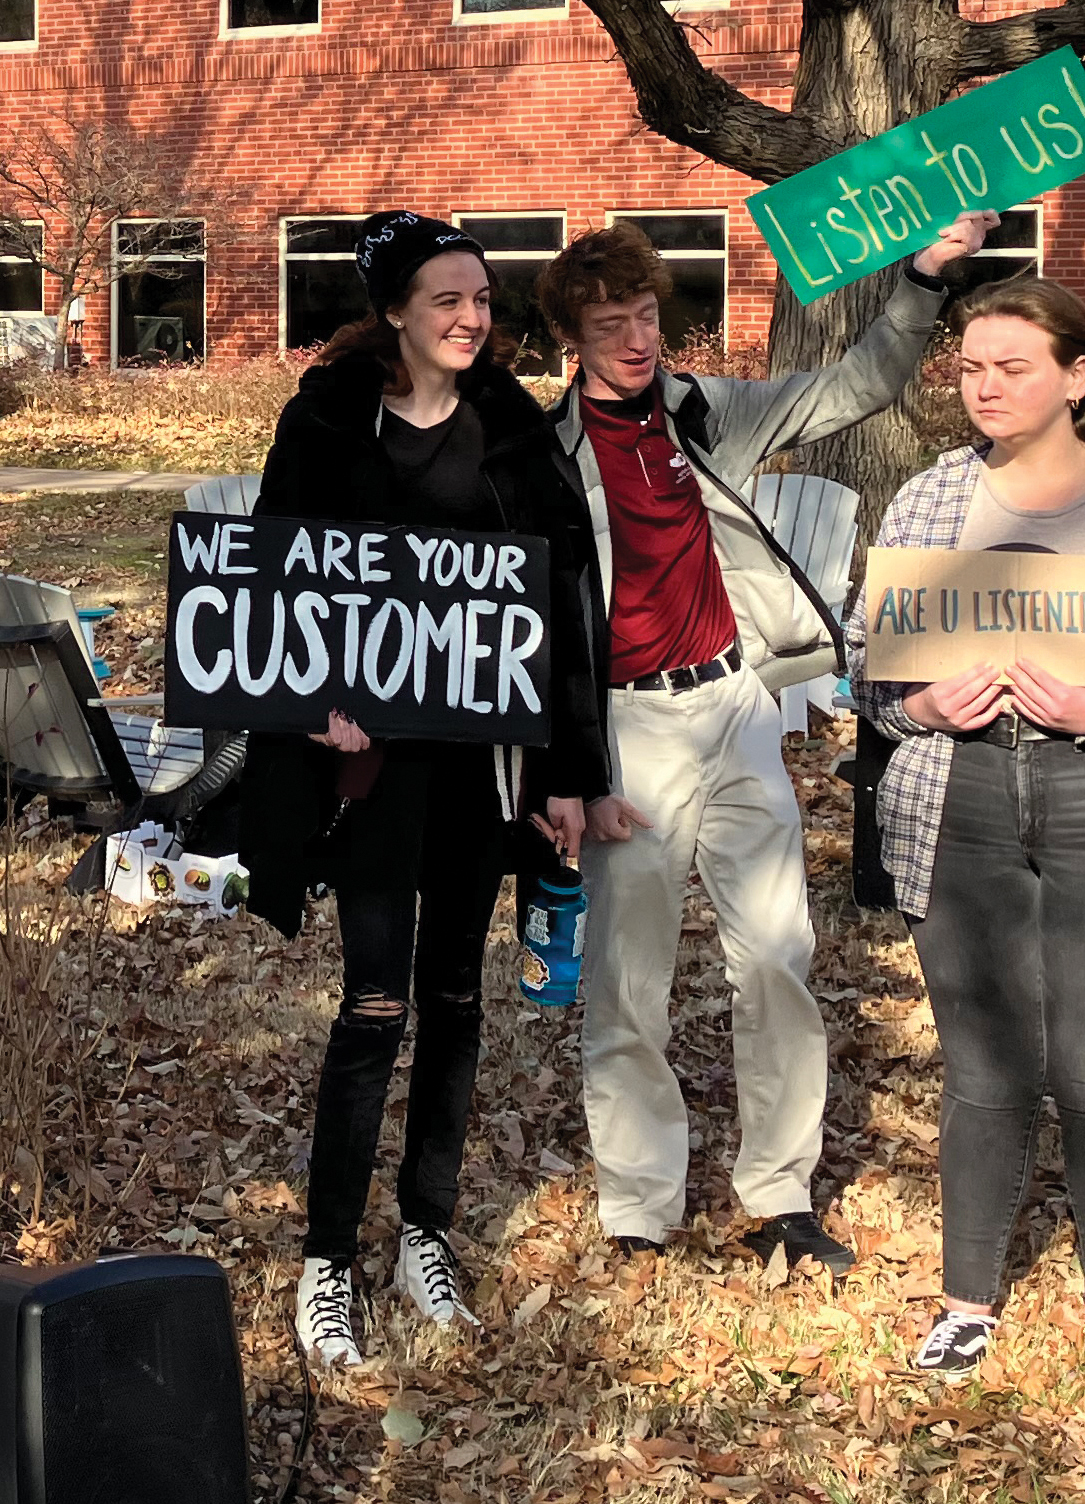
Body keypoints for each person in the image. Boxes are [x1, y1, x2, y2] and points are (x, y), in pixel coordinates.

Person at [535, 212, 995, 1275]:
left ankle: (780, 1194)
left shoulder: (707, 414)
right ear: (573, 337)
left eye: (648, 315)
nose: (638, 340)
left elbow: (852, 387)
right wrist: (564, 770)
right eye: (612, 325)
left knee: (780, 959)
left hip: (736, 704)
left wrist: (922, 277)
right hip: (624, 724)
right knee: (626, 979)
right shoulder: (542, 456)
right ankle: (640, 1206)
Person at [243, 212, 604, 1368]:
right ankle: (327, 1259)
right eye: (447, 299)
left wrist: (566, 778)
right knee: (373, 1006)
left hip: (484, 772)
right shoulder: (328, 418)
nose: (470, 318)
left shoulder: (511, 430)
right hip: (374, 769)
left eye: (485, 300)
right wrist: (312, 698)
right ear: (395, 310)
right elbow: (276, 580)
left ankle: (427, 1231)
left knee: (456, 999)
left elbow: (561, 621)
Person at [847, 278, 1085, 1387]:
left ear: (1077, 377)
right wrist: (920, 709)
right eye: (969, 367)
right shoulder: (924, 503)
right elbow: (869, 683)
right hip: (959, 802)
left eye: (1012, 365)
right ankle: (966, 1302)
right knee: (983, 1065)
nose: (985, 385)